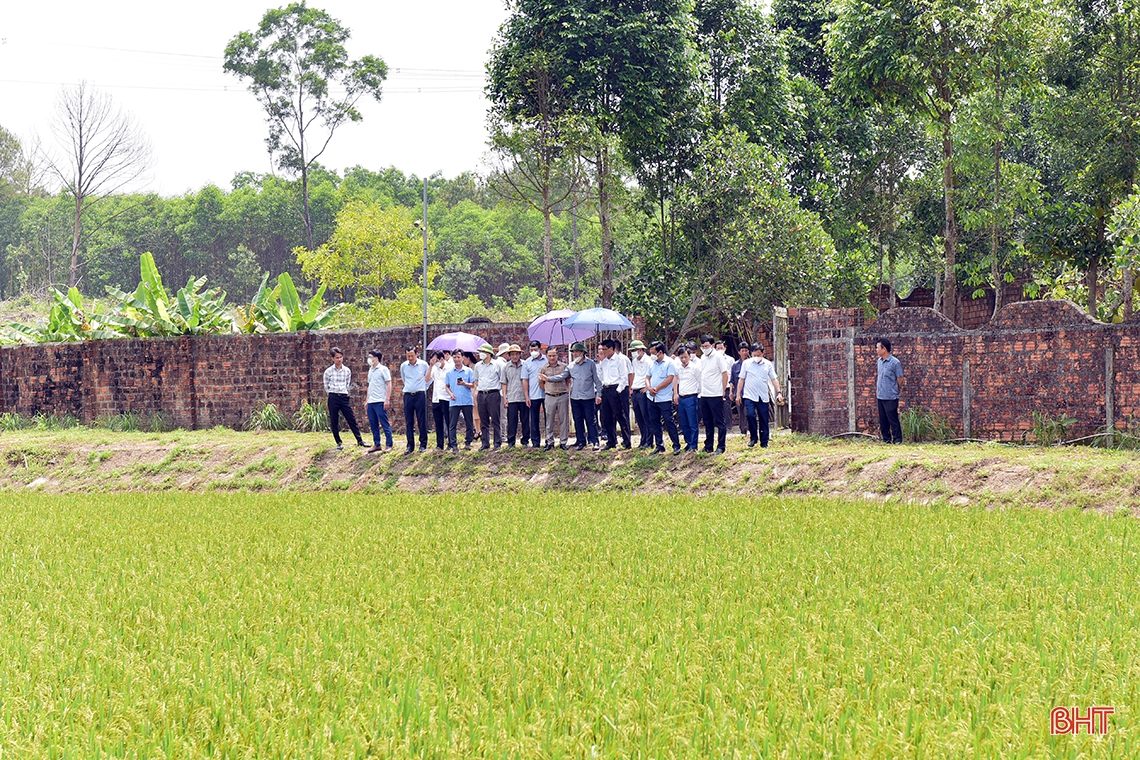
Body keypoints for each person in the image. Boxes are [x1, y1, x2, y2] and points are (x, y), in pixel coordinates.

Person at [736, 342, 783, 448]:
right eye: (754, 355)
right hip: (749, 395)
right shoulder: (746, 364)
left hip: (763, 396)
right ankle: (753, 437)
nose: (756, 357)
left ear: (763, 353)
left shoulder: (767, 364)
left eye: (758, 355)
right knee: (750, 415)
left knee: (763, 419)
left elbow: (774, 379)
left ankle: (764, 441)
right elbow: (741, 379)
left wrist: (779, 392)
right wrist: (738, 394)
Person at [323, 346, 366, 451]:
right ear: (333, 358)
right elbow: (326, 386)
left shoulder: (347, 371)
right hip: (333, 396)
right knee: (334, 420)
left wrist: (343, 393)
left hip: (343, 396)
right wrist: (333, 393)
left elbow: (347, 383)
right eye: (337, 357)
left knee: (351, 418)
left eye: (341, 357)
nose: (339, 359)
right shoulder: (328, 371)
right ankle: (338, 442)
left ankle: (360, 440)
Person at [646, 341, 681, 455]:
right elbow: (647, 377)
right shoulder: (652, 363)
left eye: (653, 352)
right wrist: (649, 388)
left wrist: (656, 388)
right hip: (652, 398)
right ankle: (659, 445)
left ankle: (676, 445)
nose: (651, 355)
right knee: (654, 422)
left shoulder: (669, 363)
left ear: (660, 352)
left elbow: (670, 379)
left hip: (664, 398)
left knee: (669, 421)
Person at [598, 338, 633, 449]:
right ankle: (611, 441)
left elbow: (624, 377)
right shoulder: (604, 363)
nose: (602, 351)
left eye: (605, 349)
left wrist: (618, 391)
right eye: (601, 349)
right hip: (606, 389)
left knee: (620, 416)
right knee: (606, 417)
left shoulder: (619, 360)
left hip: (616, 389)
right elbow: (601, 377)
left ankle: (627, 441)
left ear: (612, 348)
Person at [698, 335, 730, 454]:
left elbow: (725, 374)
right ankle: (709, 445)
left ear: (712, 345)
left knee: (719, 421)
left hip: (716, 394)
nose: (704, 348)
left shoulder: (718, 356)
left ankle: (721, 446)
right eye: (702, 346)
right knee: (707, 421)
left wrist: (722, 391)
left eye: (706, 346)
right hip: (704, 394)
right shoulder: (702, 358)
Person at [568, 341, 602, 450]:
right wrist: (548, 378)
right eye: (573, 352)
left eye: (577, 352)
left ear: (583, 353)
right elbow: (563, 376)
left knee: (591, 420)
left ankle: (595, 441)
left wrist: (599, 394)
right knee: (577, 420)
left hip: (588, 397)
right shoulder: (571, 366)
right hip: (575, 397)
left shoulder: (591, 364)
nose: (575, 354)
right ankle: (581, 441)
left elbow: (597, 381)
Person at [472, 343, 504, 450]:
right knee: (483, 420)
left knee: (495, 419)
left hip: (493, 393)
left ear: (489, 353)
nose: (481, 354)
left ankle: (497, 443)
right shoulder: (478, 366)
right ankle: (485, 443)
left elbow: (502, 380)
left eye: (483, 352)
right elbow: (476, 380)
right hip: (481, 394)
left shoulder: (497, 365)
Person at [539, 346, 571, 450]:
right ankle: (549, 441)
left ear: (557, 355)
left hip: (562, 395)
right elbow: (541, 383)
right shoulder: (543, 368)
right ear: (546, 356)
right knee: (549, 420)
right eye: (550, 356)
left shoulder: (563, 366)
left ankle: (563, 442)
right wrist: (548, 390)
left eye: (554, 355)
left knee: (563, 419)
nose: (552, 358)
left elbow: (567, 379)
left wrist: (566, 389)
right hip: (549, 396)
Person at [400, 344, 430, 453]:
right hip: (408, 395)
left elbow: (429, 378)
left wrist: (424, 388)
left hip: (420, 395)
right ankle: (410, 445)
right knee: (409, 421)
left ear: (417, 354)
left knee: (422, 419)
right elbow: (404, 378)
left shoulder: (423, 365)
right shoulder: (404, 366)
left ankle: (423, 444)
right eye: (408, 356)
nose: (410, 358)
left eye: (412, 355)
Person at [445, 351, 476, 450]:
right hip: (454, 401)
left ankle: (468, 442)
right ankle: (453, 444)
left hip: (466, 400)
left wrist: (464, 384)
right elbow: (447, 386)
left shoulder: (468, 371)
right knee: (452, 424)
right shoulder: (449, 373)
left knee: (469, 422)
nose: (456, 359)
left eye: (458, 357)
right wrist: (450, 394)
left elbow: (473, 384)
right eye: (454, 357)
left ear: (462, 358)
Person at [876, 338, 904, 444]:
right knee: (883, 420)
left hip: (891, 396)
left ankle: (897, 439)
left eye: (878, 347)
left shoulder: (895, 363)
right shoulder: (879, 362)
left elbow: (900, 378)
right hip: (881, 395)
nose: (876, 350)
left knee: (892, 419)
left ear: (884, 349)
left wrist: (896, 389)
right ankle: (886, 439)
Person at [365, 349, 393, 452]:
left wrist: (387, 399)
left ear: (376, 358)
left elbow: (389, 383)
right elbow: (370, 385)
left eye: (370, 357)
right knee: (373, 424)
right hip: (371, 401)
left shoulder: (383, 369)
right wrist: (367, 400)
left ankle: (389, 444)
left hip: (380, 400)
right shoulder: (370, 370)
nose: (369, 359)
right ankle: (377, 444)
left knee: (384, 423)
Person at [674, 347, 701, 452]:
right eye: (681, 358)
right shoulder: (678, 368)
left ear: (689, 356)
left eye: (685, 357)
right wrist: (676, 393)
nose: (684, 359)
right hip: (682, 397)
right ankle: (688, 442)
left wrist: (698, 394)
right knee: (684, 423)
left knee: (692, 422)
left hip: (691, 397)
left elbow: (700, 381)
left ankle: (694, 445)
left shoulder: (695, 368)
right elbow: (676, 380)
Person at [501, 344, 529, 447]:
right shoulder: (506, 367)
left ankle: (525, 440)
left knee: (525, 420)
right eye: (512, 354)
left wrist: (527, 396)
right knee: (512, 421)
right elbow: (504, 383)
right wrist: (505, 397)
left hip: (523, 397)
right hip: (512, 397)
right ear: (509, 355)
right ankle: (511, 441)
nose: (515, 356)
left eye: (517, 354)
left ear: (520, 354)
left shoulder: (525, 365)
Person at [521, 340, 546, 448]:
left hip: (547, 393)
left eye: (535, 350)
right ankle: (535, 442)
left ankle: (549, 441)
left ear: (540, 349)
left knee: (548, 418)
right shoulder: (527, 362)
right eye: (531, 350)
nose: (533, 352)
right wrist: (527, 396)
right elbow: (525, 380)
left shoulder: (547, 360)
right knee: (534, 419)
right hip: (533, 395)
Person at [628, 340, 653, 448]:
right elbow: (634, 374)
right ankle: (643, 440)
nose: (633, 352)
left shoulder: (648, 360)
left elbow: (651, 375)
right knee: (639, 417)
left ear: (641, 350)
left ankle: (649, 441)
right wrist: (631, 388)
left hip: (643, 390)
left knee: (646, 416)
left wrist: (648, 387)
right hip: (636, 390)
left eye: (635, 350)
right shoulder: (634, 361)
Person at [427, 350, 452, 450]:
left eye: (435, 360)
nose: (434, 362)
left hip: (446, 398)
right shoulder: (434, 369)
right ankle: (439, 444)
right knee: (438, 422)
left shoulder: (449, 368)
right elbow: (427, 379)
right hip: (436, 398)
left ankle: (451, 443)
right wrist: (430, 366)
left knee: (449, 421)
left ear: (441, 359)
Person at [730, 343, 752, 436]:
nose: (744, 352)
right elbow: (732, 380)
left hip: (750, 392)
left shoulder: (751, 363)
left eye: (746, 350)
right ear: (739, 352)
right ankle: (743, 431)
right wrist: (731, 392)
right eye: (742, 351)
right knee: (741, 413)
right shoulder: (735, 365)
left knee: (749, 412)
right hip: (739, 393)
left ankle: (750, 430)